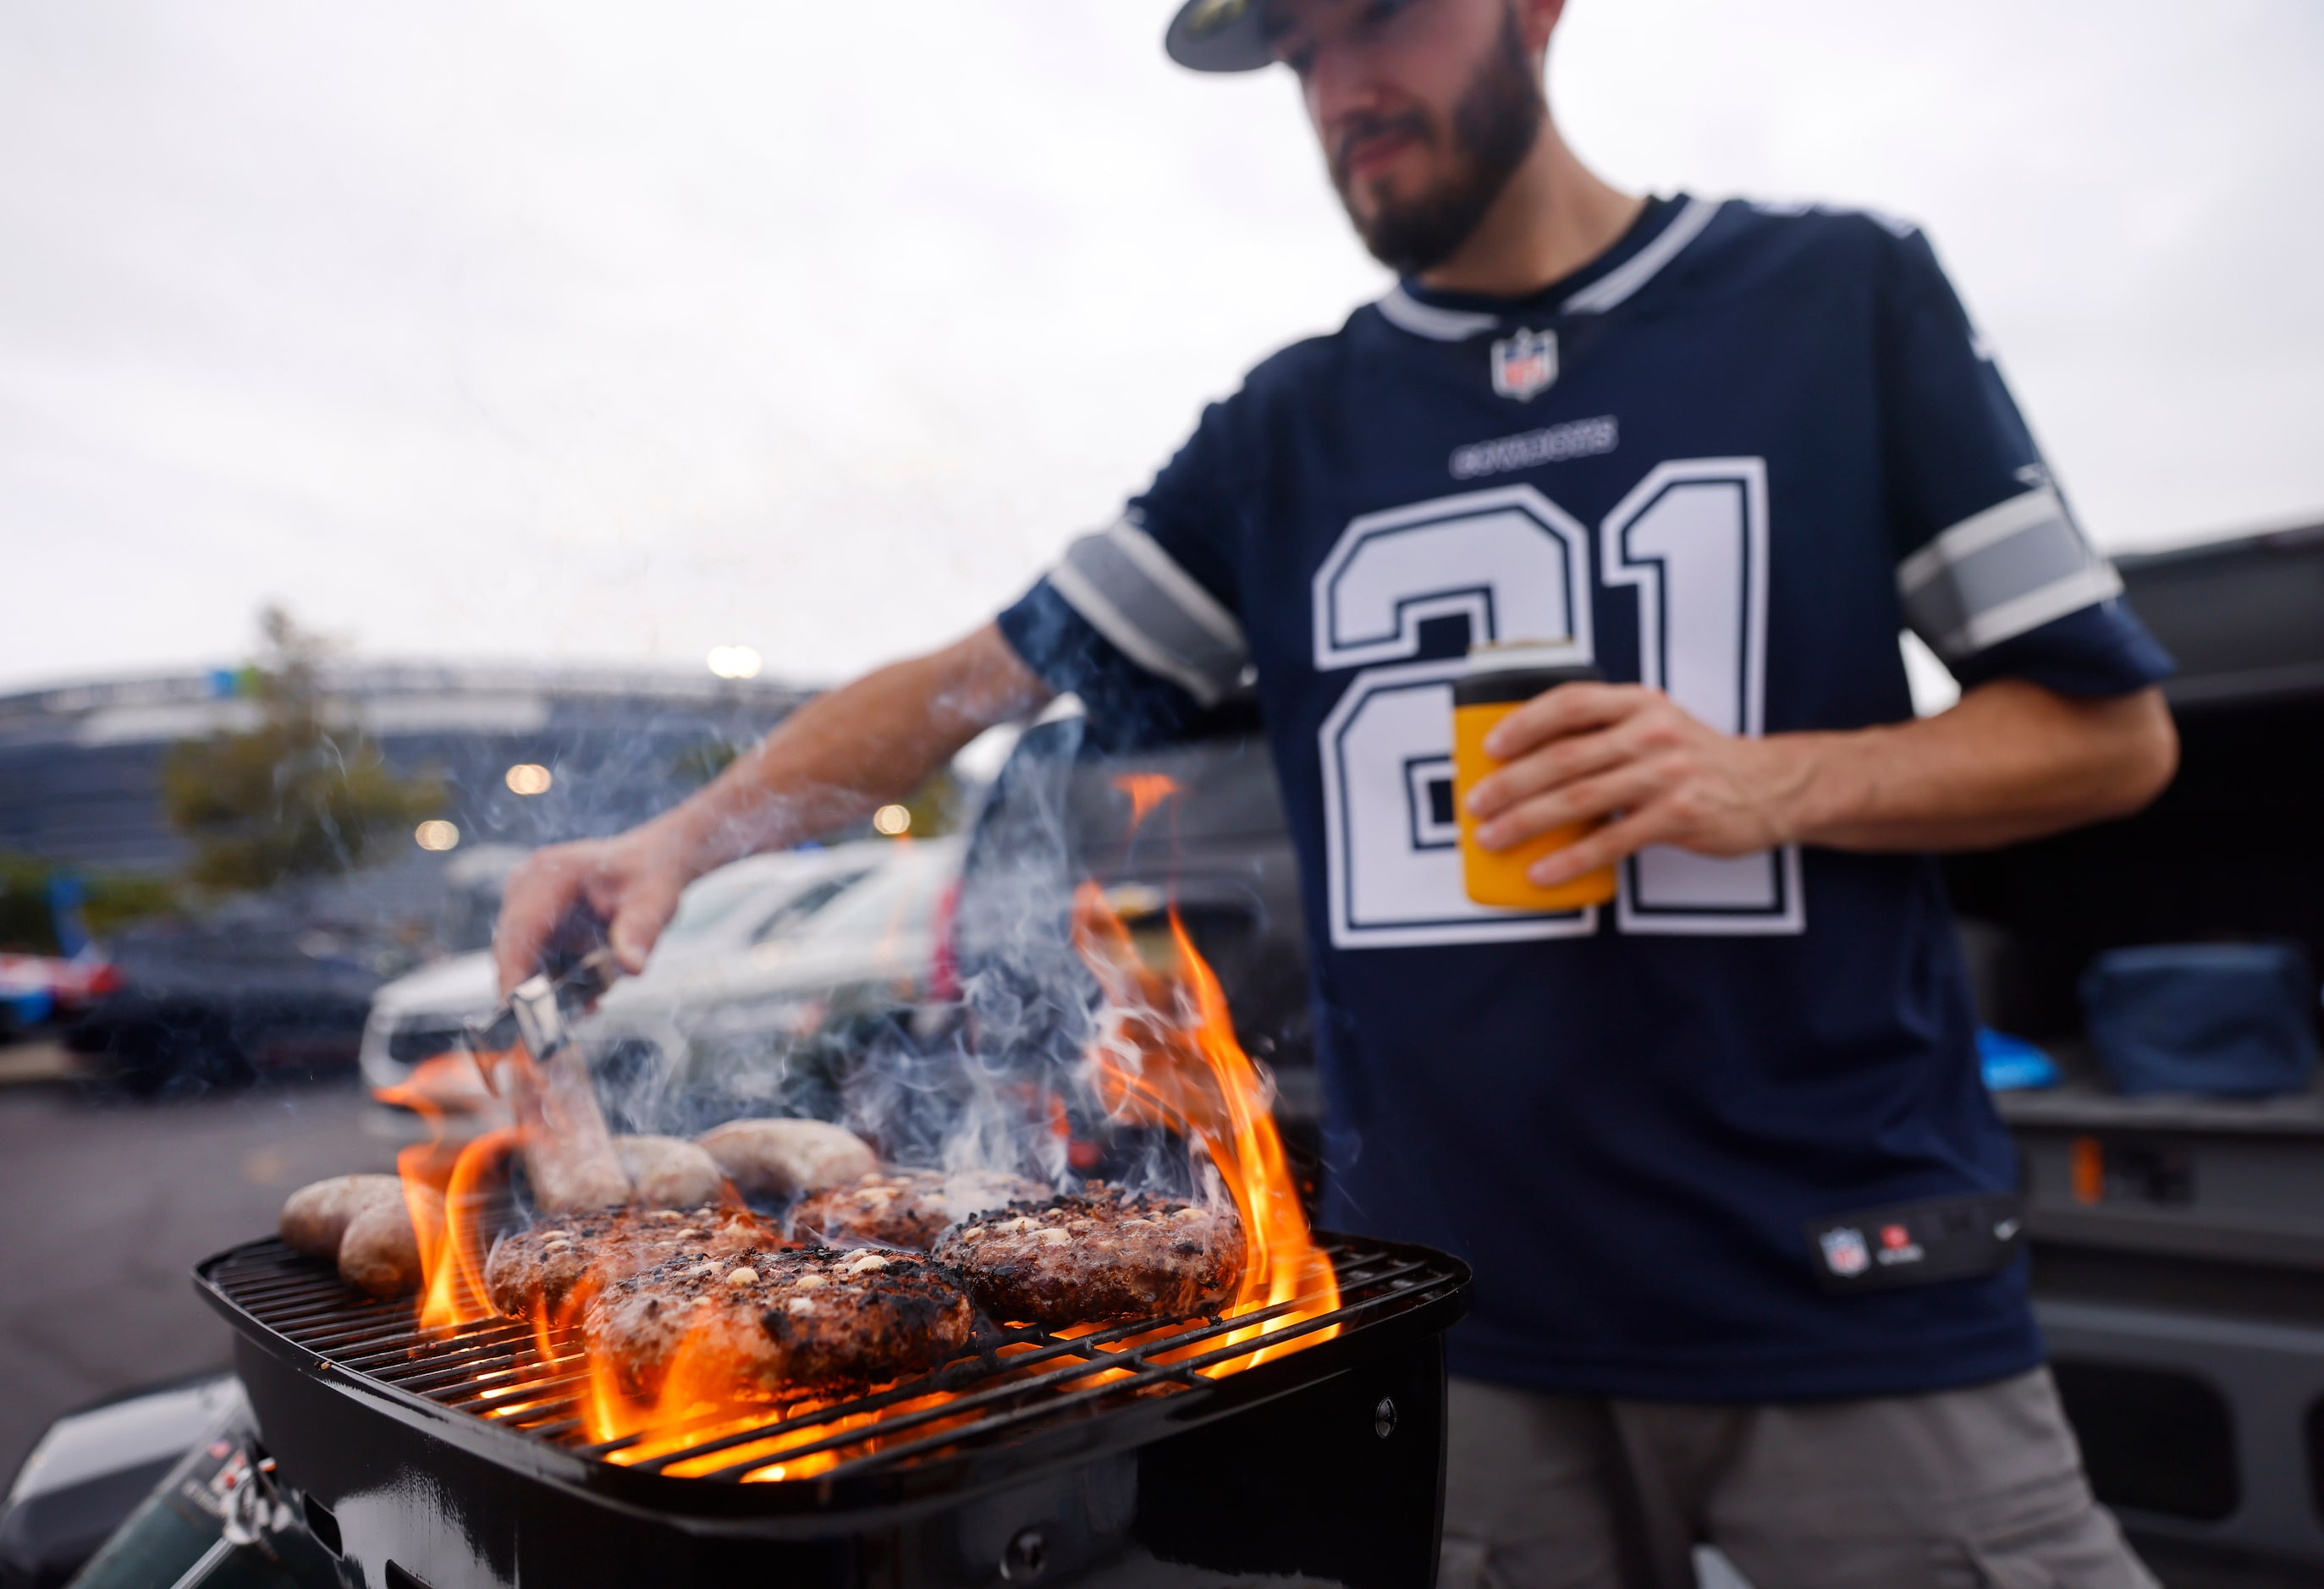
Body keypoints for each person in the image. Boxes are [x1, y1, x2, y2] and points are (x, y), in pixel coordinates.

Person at [495, 1, 2180, 1582]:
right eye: (1297, 51)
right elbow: (973, 680)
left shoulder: (1831, 297)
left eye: (1379, 13)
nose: (1339, 89)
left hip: (1848, 1298)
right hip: (1443, 1327)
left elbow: (2107, 736)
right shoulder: (1287, 431)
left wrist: (1759, 781)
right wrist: (679, 841)